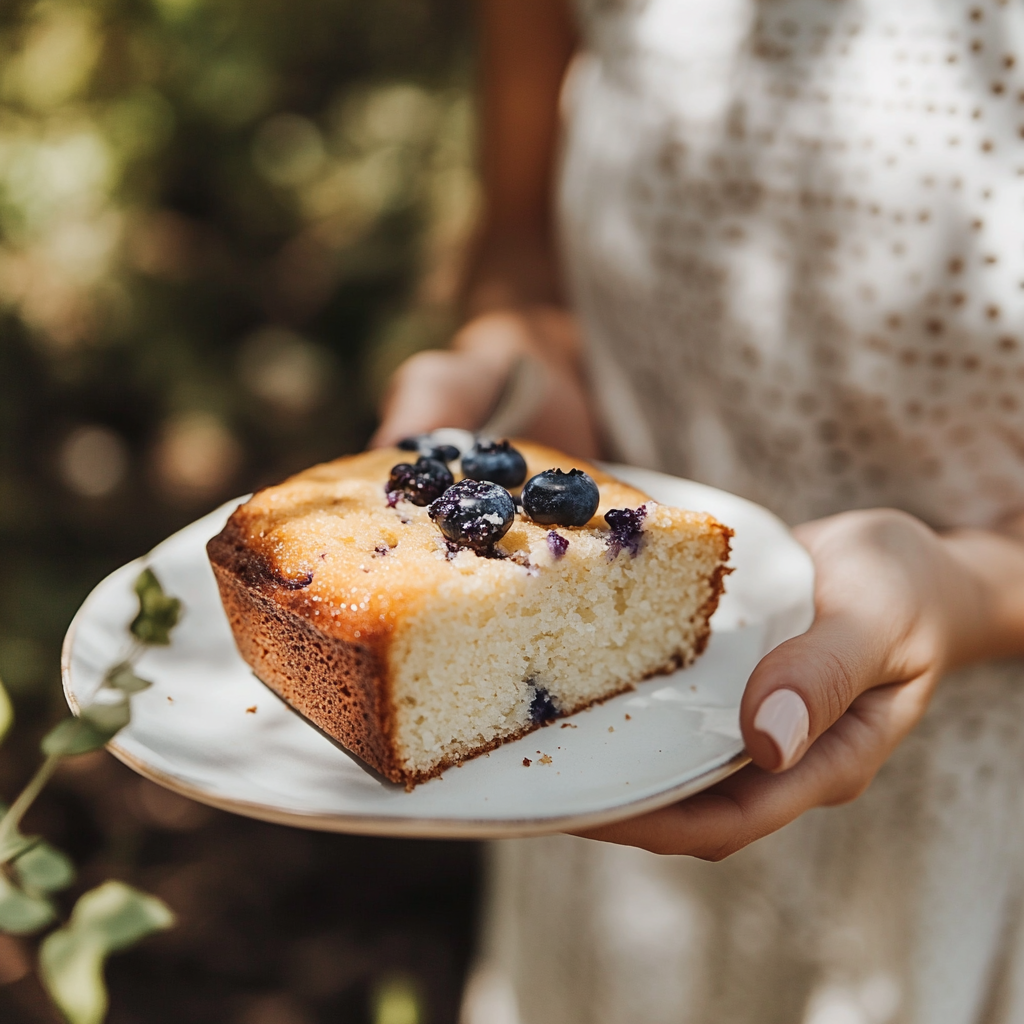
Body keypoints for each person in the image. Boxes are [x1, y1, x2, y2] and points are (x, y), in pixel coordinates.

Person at [374, 2, 1024, 1021]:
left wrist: (961, 591)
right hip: (605, 755)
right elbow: (517, 239)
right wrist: (526, 366)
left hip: (968, 835)